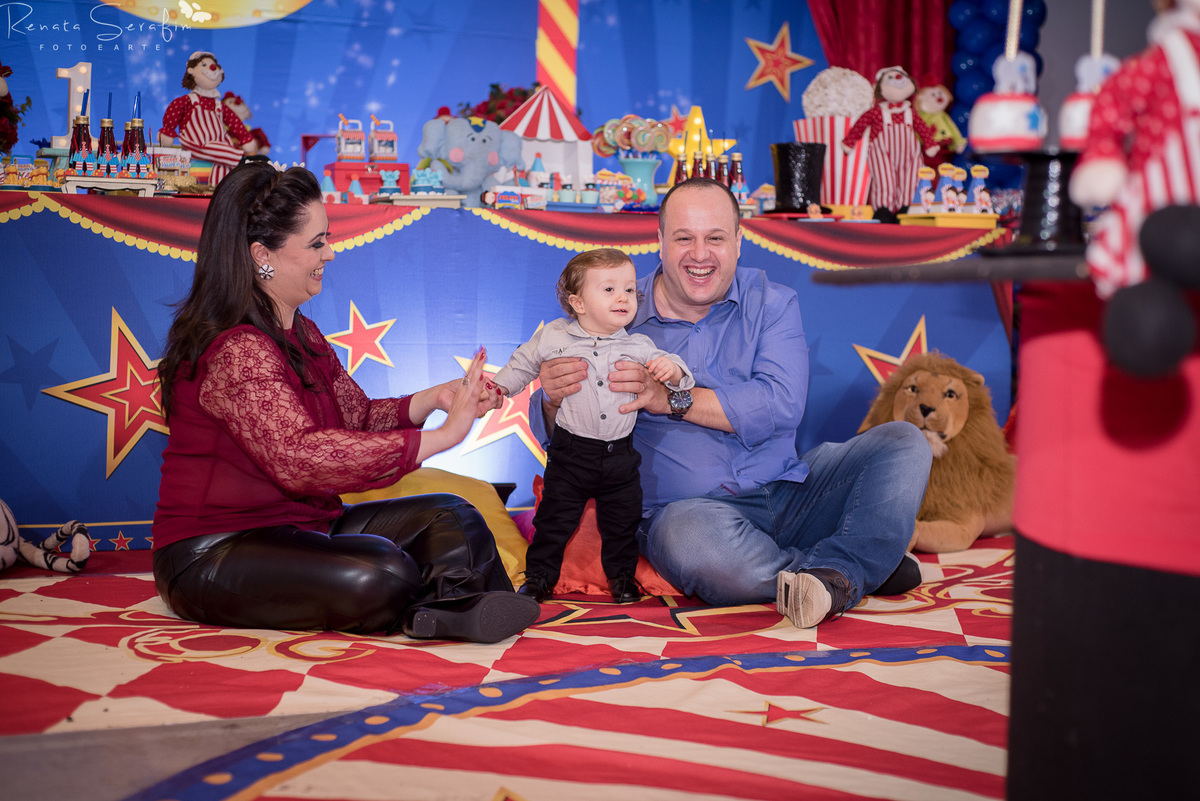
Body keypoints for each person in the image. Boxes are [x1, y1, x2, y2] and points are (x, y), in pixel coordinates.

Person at [152, 161, 538, 643]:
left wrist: (436, 399)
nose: (330, 254)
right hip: (211, 553)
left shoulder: (304, 332)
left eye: (327, 239)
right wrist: (442, 437)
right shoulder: (237, 348)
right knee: (381, 573)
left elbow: (357, 418)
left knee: (454, 517)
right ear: (261, 255)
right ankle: (438, 599)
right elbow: (301, 459)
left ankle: (451, 609)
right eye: (316, 243)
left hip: (309, 525)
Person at [532, 177, 932, 628]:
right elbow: (557, 435)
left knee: (904, 442)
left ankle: (828, 566)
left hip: (791, 493)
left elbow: (782, 405)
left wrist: (671, 399)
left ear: (739, 242)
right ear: (660, 241)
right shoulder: (614, 311)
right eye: (684, 238)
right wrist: (553, 399)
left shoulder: (773, 302)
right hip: (690, 515)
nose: (700, 255)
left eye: (716, 238)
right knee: (694, 544)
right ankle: (848, 567)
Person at [491, 249, 694, 604]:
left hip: (620, 457)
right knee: (554, 521)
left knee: (621, 523)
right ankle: (539, 578)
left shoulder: (637, 344)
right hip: (571, 454)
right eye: (609, 289)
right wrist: (498, 389)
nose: (623, 298)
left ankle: (622, 579)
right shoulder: (555, 336)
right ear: (578, 303)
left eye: (629, 290)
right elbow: (522, 363)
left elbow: (674, 370)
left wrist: (673, 371)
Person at [158, 52, 257, 186]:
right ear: (191, 71)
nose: (212, 68)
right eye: (204, 65)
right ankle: (242, 161)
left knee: (223, 155)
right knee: (216, 150)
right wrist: (168, 131)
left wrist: (244, 137)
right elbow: (173, 112)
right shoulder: (188, 101)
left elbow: (233, 121)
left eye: (213, 65)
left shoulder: (218, 104)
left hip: (219, 144)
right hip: (196, 142)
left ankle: (219, 186)